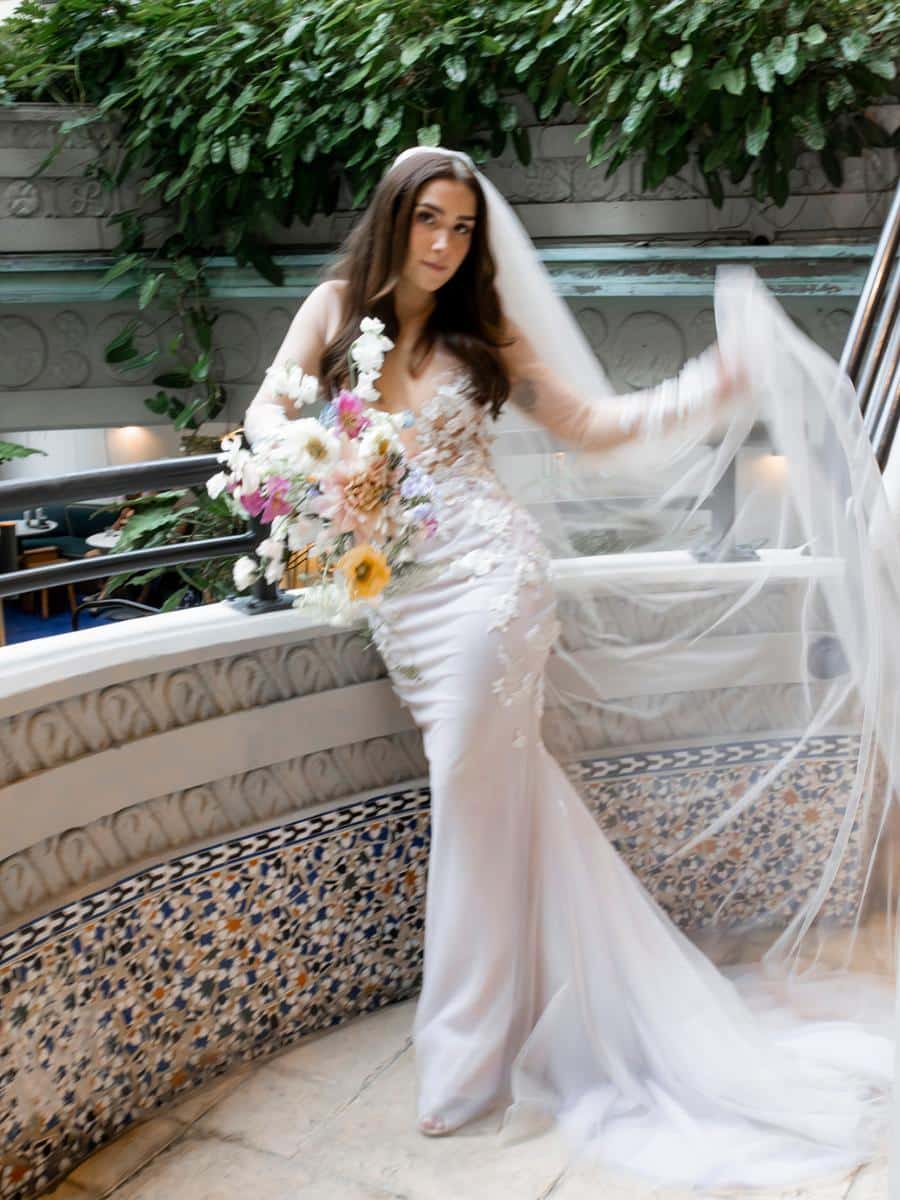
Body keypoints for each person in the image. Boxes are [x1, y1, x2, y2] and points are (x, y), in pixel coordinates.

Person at [244, 147, 898, 1189]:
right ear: (394, 220)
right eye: (429, 223)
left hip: (492, 591)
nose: (446, 245)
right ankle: (572, 1001)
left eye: (462, 228)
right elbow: (268, 424)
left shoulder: (482, 331)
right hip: (399, 601)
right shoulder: (331, 312)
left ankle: (462, 1064)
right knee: (503, 802)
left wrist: (713, 385)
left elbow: (598, 428)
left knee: (469, 802)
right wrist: (333, 466)